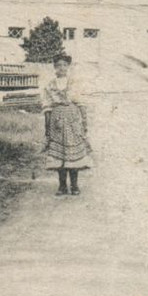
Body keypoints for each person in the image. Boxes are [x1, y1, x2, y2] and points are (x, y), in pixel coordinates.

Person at [41, 53, 93, 196]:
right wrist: (47, 127)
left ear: (68, 67)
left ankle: (75, 186)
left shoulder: (75, 83)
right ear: (54, 67)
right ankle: (62, 186)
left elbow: (81, 103)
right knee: (59, 156)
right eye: (58, 65)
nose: (61, 68)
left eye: (64, 65)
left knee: (73, 155)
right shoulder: (50, 85)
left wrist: (84, 122)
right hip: (56, 122)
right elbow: (47, 107)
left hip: (73, 122)